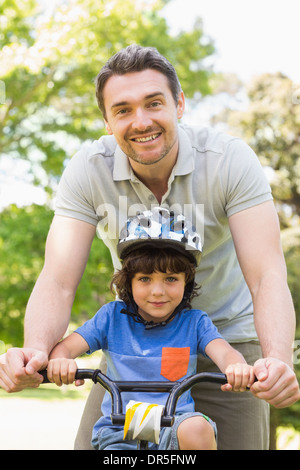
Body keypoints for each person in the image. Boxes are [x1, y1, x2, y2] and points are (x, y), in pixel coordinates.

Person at [0, 44, 299, 450]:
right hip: (133, 347)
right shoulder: (88, 170)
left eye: (153, 103)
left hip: (227, 345)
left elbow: (266, 276)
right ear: (106, 120)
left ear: (179, 104)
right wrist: (37, 352)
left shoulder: (229, 161)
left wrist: (276, 359)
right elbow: (57, 278)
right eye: (122, 109)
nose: (141, 121)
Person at [46, 208, 256, 451]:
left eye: (171, 279)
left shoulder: (195, 322)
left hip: (175, 428)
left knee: (198, 428)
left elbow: (225, 354)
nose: (158, 291)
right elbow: (65, 348)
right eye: (145, 279)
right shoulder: (111, 317)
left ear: (185, 282)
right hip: (119, 431)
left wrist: (236, 367)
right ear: (129, 282)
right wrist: (61, 361)